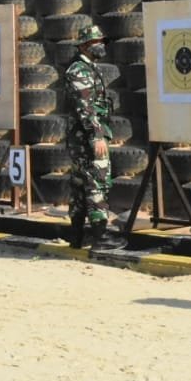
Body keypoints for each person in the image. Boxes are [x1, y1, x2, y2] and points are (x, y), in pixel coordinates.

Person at [63, 22, 125, 250]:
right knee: (97, 182)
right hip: (86, 138)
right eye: (97, 42)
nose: (102, 46)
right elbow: (85, 108)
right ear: (85, 45)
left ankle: (77, 236)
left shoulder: (87, 68)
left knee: (80, 186)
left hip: (82, 138)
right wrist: (96, 135)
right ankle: (100, 236)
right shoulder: (79, 71)